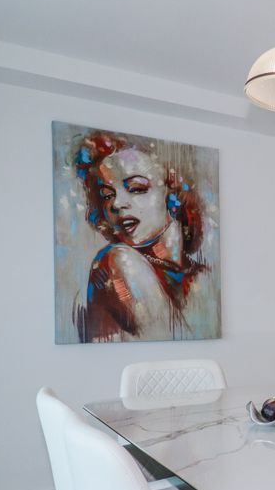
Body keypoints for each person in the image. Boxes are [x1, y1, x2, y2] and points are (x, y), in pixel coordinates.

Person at [72, 131, 208, 342]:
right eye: (107, 195)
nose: (116, 204)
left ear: (173, 193)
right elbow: (174, 355)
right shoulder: (118, 261)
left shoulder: (201, 276)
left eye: (136, 188)